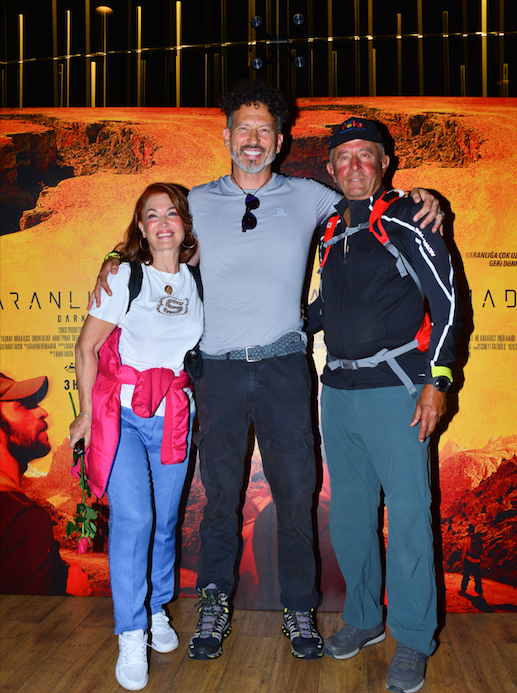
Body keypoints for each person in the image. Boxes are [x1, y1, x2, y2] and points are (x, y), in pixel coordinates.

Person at [92, 80, 443, 663]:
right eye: (243, 129)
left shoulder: (311, 198)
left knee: (297, 495)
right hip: (219, 373)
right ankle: (214, 604)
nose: (252, 140)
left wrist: (421, 195)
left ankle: (299, 608)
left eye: (264, 130)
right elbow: (153, 235)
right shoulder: (196, 202)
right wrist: (112, 258)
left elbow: (369, 197)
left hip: (284, 369)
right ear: (227, 136)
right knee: (220, 497)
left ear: (280, 142)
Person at [307, 117, 461, 693]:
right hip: (338, 393)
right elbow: (323, 309)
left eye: (364, 155)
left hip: (398, 393)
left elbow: (448, 303)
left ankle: (414, 638)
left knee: (410, 516)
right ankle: (365, 618)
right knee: (349, 516)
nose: (354, 166)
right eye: (343, 157)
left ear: (384, 162)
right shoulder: (331, 230)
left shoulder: (407, 217)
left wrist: (438, 381)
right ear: (330, 168)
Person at [69, 183, 203, 691]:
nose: (163, 222)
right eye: (152, 215)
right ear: (141, 228)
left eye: (172, 213)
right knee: (136, 518)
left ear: (185, 224)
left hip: (173, 414)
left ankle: (155, 609)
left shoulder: (198, 277)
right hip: (121, 415)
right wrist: (86, 414)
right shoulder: (125, 276)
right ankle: (130, 633)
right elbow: (86, 348)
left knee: (166, 520)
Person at [0, 372, 91, 596]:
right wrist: (70, 597)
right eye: (24, 405)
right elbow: (28, 614)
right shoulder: (23, 519)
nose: (42, 412)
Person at [459, 523, 483, 597]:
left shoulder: (467, 538)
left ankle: (463, 590)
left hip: (469, 560)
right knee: (477, 577)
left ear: (468, 530)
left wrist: (462, 560)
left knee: (466, 576)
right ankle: (480, 593)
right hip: (477, 560)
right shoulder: (478, 538)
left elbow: (465, 550)